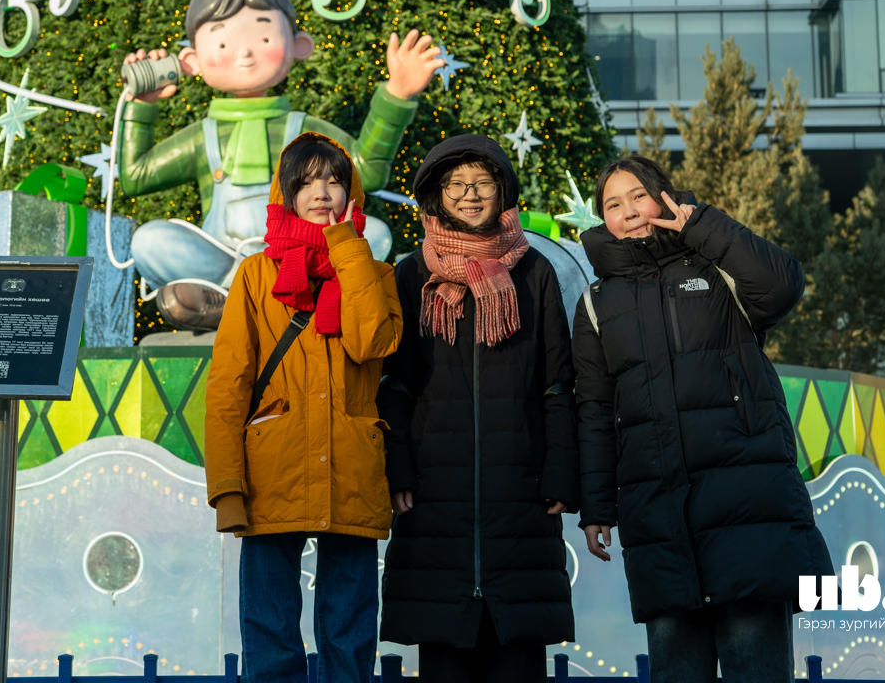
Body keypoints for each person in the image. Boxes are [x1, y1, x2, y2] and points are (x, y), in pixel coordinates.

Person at [573, 154, 833, 683]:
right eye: (613, 205)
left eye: (639, 196)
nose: (629, 212)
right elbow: (596, 408)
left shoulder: (716, 267)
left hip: (748, 503)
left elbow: (782, 287)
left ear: (665, 197)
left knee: (755, 668)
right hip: (658, 513)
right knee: (677, 668)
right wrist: (596, 504)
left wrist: (702, 226)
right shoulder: (596, 303)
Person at [118, 0, 442, 331]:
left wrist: (395, 96)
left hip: (299, 260)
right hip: (223, 262)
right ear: (191, 60)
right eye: (222, 43)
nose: (244, 53)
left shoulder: (305, 131)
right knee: (149, 240)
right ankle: (253, 299)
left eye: (264, 38)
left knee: (374, 234)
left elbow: (366, 172)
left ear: (299, 45)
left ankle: (255, 303)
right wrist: (141, 105)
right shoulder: (201, 136)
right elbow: (135, 178)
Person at [377, 135, 579, 683]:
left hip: (520, 496)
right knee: (445, 655)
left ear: (502, 190)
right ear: (436, 194)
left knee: (517, 658)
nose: (470, 194)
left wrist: (560, 472)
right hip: (433, 498)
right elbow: (395, 385)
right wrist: (397, 468)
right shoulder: (412, 274)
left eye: (483, 182)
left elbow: (557, 384)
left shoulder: (534, 271)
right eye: (456, 184)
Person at [204, 131, 402, 683]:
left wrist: (346, 248)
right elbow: (228, 385)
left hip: (351, 470)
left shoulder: (376, 275)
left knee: (349, 636)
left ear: (351, 194)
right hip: (273, 470)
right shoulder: (256, 275)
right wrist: (227, 486)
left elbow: (373, 343)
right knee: (270, 636)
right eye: (308, 181)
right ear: (286, 193)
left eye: (335, 180)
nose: (321, 192)